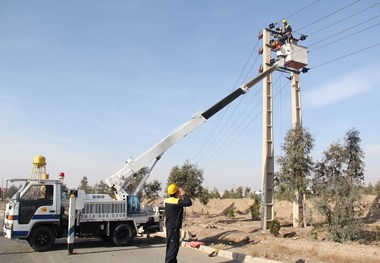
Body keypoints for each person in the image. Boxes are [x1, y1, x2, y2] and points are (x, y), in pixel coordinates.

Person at [164, 184, 192, 263]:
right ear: (176, 192)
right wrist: (183, 193)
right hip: (173, 228)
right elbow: (188, 202)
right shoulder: (176, 202)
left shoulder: (168, 201)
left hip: (170, 227)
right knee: (173, 248)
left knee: (171, 248)